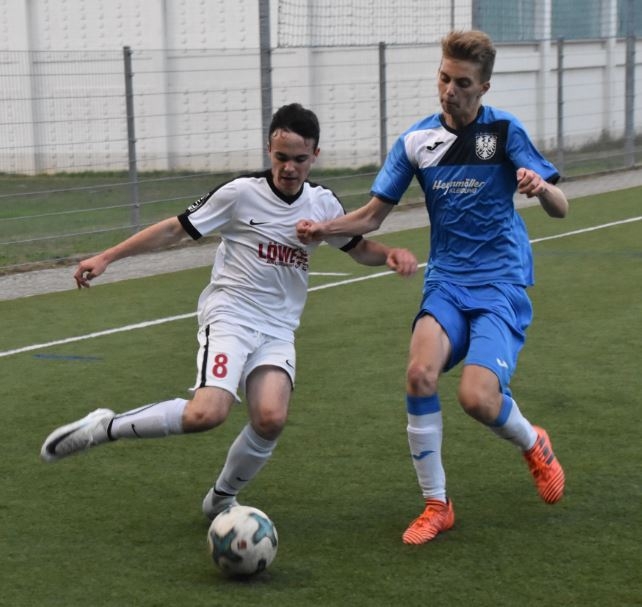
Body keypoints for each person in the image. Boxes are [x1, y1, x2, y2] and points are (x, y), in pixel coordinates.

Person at [40, 103, 418, 521]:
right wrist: (108, 256)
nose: (289, 167)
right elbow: (174, 229)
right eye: (281, 157)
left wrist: (389, 255)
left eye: (299, 158)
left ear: (315, 155)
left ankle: (221, 499)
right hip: (231, 315)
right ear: (269, 149)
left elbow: (359, 248)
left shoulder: (322, 203)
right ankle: (104, 427)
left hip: (278, 329)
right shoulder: (240, 193)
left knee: (270, 418)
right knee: (207, 413)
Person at [297, 31, 568, 544]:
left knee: (476, 398)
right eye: (444, 78)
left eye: (462, 83)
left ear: (483, 87)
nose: (449, 90)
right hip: (446, 279)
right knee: (419, 374)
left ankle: (533, 442)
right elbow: (372, 217)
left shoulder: (504, 132)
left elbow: (561, 208)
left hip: (500, 282)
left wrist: (541, 188)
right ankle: (437, 504)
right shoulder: (415, 141)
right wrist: (323, 228)